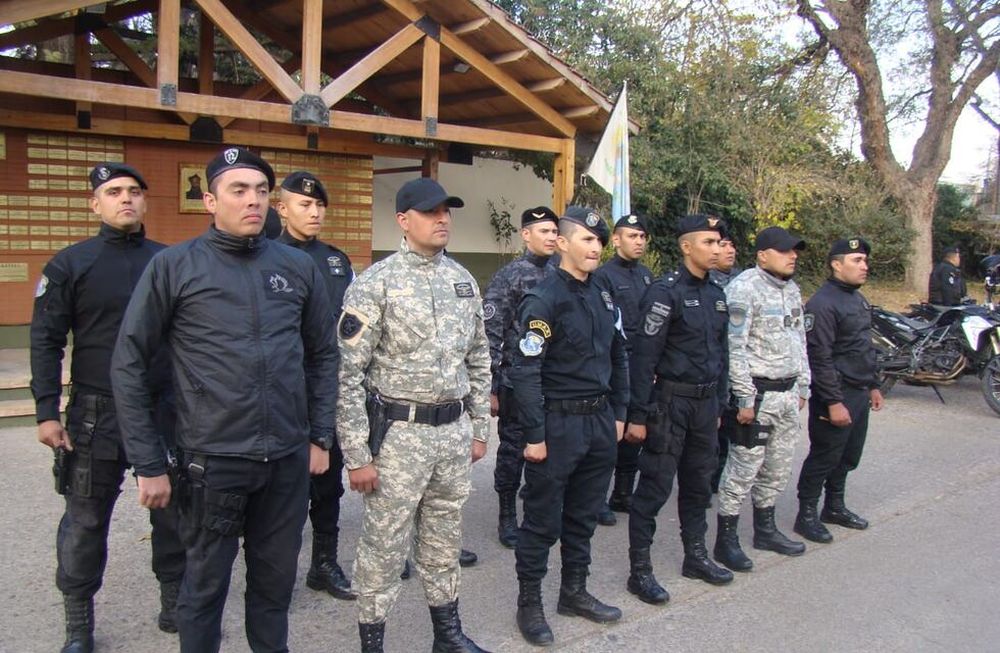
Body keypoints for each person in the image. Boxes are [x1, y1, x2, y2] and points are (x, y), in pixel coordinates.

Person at [111, 147, 339, 653]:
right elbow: (128, 364)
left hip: (284, 458)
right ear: (210, 200)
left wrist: (319, 435)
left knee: (273, 586)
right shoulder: (174, 267)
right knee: (204, 590)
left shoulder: (297, 268)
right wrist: (149, 462)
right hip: (211, 460)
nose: (252, 200)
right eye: (239, 190)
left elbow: (323, 356)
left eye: (261, 191)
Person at [31, 163, 186, 653]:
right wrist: (46, 411)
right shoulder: (69, 264)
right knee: (85, 520)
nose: (126, 199)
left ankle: (174, 603)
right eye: (114, 192)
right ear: (94, 203)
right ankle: (79, 625)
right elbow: (46, 340)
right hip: (96, 414)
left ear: (145, 202)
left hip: (163, 409)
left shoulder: (169, 261)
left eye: (135, 192)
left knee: (173, 515)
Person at [336, 177, 491, 653]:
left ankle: (447, 635)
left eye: (447, 210)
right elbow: (347, 375)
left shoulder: (462, 280)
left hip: (452, 434)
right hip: (399, 438)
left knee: (444, 540)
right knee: (384, 546)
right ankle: (373, 644)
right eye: (431, 212)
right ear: (403, 221)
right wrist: (357, 454)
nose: (442, 219)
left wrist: (480, 426)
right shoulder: (375, 283)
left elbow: (480, 356)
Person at [509, 206, 629, 646]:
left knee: (583, 516)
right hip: (558, 423)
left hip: (599, 421)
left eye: (600, 240)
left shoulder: (604, 292)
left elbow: (619, 353)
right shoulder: (544, 298)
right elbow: (524, 370)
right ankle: (530, 604)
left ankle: (574, 591)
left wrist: (620, 412)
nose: (596, 247)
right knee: (542, 521)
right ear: (561, 243)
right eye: (586, 239)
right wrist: (536, 435)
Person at [626, 214, 733, 605]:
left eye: (719, 243)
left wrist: (720, 402)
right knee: (654, 486)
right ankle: (640, 570)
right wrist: (638, 414)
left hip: (706, 404)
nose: (717, 248)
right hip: (671, 402)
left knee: (699, 483)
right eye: (708, 242)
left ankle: (696, 555)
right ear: (687, 247)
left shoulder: (718, 294)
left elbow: (721, 354)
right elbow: (643, 359)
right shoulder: (664, 293)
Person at [274, 171, 356, 601]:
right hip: (282, 393)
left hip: (329, 390)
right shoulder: (265, 256)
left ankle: (323, 564)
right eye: (304, 205)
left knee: (329, 485)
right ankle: (274, 576)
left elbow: (353, 324)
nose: (315, 212)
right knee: (283, 491)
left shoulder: (336, 260)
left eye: (319, 205)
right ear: (282, 209)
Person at [713, 227, 810, 573]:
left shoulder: (793, 289)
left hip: (787, 393)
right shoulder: (743, 288)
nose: (793, 256)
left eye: (795, 251)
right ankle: (726, 541)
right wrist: (743, 397)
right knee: (742, 469)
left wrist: (804, 387)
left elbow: (799, 339)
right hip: (759, 395)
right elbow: (734, 348)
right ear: (763, 255)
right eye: (785, 251)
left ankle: (766, 530)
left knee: (777, 466)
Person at [795, 238, 884, 543]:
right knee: (824, 455)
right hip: (836, 394)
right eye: (857, 260)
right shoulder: (823, 303)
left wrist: (873, 384)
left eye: (865, 261)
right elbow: (819, 356)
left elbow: (863, 346)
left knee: (848, 455)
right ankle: (806, 514)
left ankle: (834, 506)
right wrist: (833, 401)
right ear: (836, 264)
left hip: (858, 391)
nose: (864, 266)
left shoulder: (857, 299)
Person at [483, 205, 559, 548]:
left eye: (555, 231)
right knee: (513, 449)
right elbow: (491, 331)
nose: (551, 237)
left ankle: (537, 510)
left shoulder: (563, 274)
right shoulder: (510, 276)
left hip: (554, 380)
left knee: (550, 447)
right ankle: (505, 514)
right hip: (517, 380)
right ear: (526, 235)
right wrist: (492, 386)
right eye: (544, 231)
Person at [592, 213, 653, 523]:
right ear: (615, 240)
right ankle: (598, 498)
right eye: (632, 236)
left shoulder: (645, 276)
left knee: (635, 429)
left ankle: (623, 492)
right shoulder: (603, 276)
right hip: (616, 362)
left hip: (642, 363)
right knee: (610, 433)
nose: (638, 242)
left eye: (642, 237)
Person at [709, 230, 742, 494]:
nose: (729, 250)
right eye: (722, 245)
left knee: (728, 428)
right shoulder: (703, 283)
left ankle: (717, 478)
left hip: (735, 367)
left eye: (732, 245)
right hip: (708, 369)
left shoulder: (744, 282)